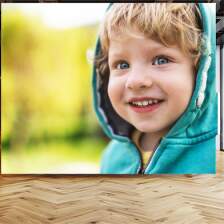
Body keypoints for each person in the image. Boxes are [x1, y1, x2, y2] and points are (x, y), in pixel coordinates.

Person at [92, 3, 217, 174]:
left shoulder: (217, 152)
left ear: (200, 68)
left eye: (161, 60)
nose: (135, 81)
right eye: (122, 64)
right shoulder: (112, 157)